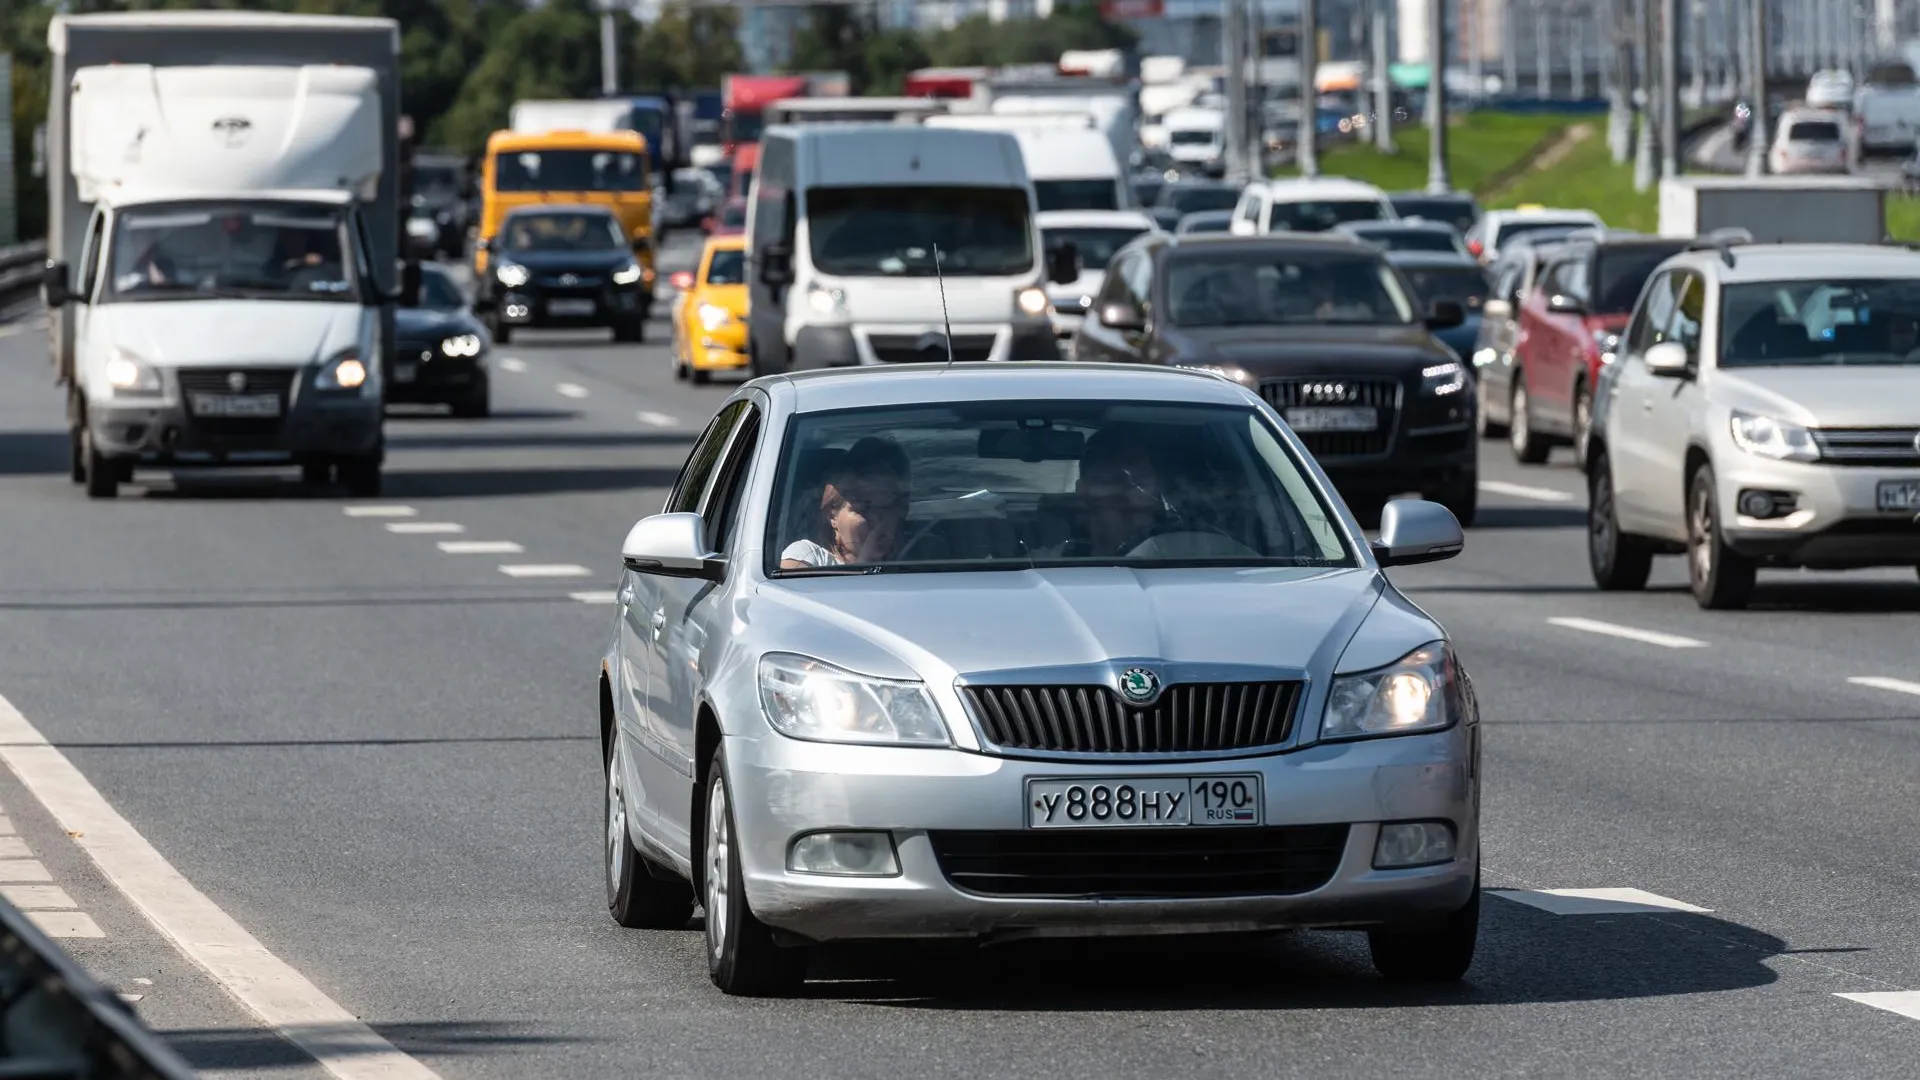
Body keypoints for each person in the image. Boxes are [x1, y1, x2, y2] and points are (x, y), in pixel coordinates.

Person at [780, 437, 912, 568]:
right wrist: (864, 562)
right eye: (863, 508)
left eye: (885, 507)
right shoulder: (809, 556)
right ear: (832, 515)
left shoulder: (916, 556)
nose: (876, 519)